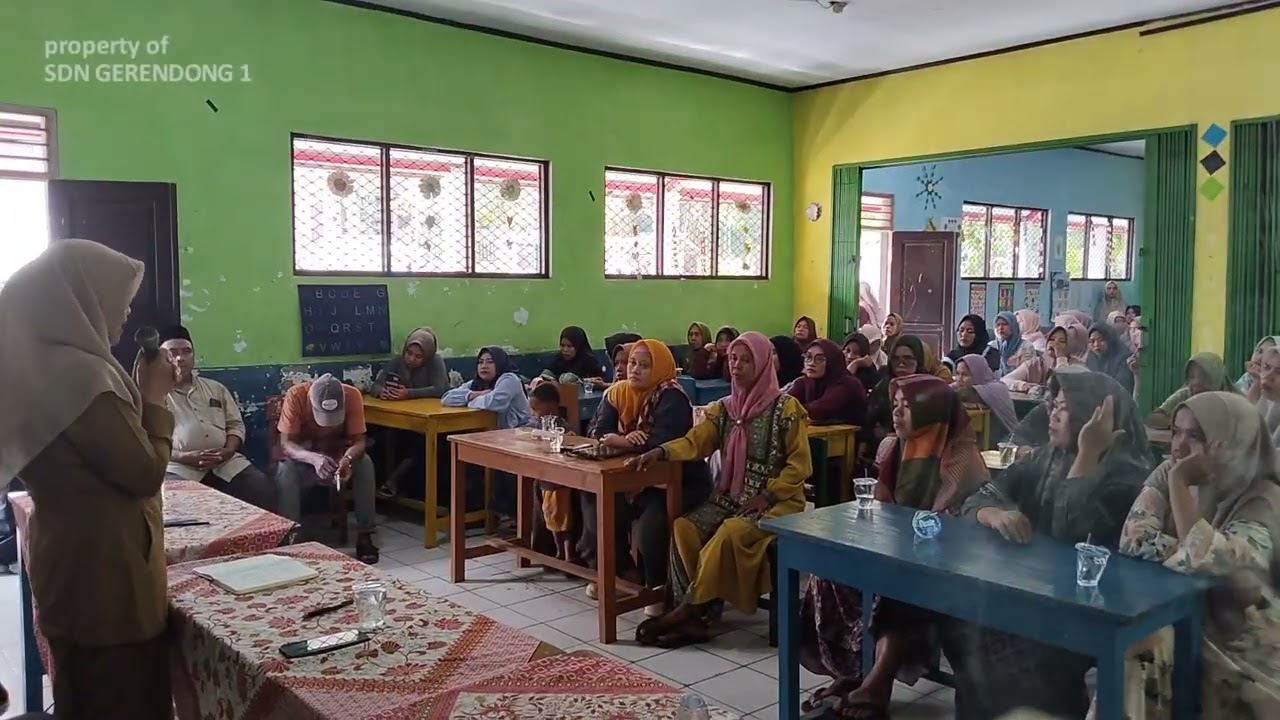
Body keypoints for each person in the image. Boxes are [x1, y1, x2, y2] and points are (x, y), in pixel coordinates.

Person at [0, 239, 179, 719]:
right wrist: (157, 400)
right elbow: (142, 473)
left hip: (70, 562)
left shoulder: (34, 366)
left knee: (83, 694)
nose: (123, 316)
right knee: (123, 698)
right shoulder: (81, 377)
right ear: (81, 299)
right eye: (118, 301)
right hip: (106, 575)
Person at [941, 371, 1152, 720]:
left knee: (1018, 654)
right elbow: (976, 499)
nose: (1052, 415)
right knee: (962, 621)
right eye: (1053, 405)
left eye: (1065, 409)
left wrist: (1086, 456)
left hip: (1092, 607)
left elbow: (1072, 533)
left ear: (1093, 416)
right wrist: (994, 514)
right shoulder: (1046, 458)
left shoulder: (1128, 474)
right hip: (1035, 591)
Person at [800, 376, 987, 718]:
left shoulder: (961, 458)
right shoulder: (897, 447)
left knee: (899, 587)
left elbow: (963, 525)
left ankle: (879, 680)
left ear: (930, 411)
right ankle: (852, 672)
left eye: (907, 408)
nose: (897, 414)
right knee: (827, 574)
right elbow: (882, 509)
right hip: (895, 551)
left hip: (945, 565)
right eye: (895, 406)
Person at [1102, 391, 1280, 719]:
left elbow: (1236, 584)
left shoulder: (1263, 499)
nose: (1179, 446)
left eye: (1195, 435)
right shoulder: (1170, 471)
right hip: (1178, 615)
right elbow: (1133, 538)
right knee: (1137, 649)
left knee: (1147, 651)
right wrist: (1192, 549)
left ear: (1233, 442)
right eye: (1176, 432)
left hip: (1241, 640)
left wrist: (1181, 486)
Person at [629, 332, 810, 647]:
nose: (737, 366)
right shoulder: (725, 409)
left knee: (729, 532)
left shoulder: (787, 409)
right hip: (733, 496)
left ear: (764, 363)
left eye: (745, 360)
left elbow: (800, 465)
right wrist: (662, 452)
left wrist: (768, 494)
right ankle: (698, 614)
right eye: (733, 359)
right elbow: (696, 442)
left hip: (777, 501)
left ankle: (689, 609)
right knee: (684, 527)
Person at [582, 340, 711, 612]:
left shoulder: (672, 396)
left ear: (660, 368)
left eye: (644, 365)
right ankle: (620, 574)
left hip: (678, 482)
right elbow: (596, 430)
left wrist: (626, 442)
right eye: (632, 364)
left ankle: (657, 588)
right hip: (631, 478)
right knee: (595, 503)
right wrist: (621, 439)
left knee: (652, 524)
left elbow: (662, 442)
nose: (635, 370)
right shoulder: (618, 393)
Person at [159, 325, 275, 510]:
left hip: (225, 462)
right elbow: (151, 442)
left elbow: (235, 424)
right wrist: (183, 456)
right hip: (178, 466)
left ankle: (263, 538)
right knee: (176, 501)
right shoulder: (155, 396)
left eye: (187, 352)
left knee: (259, 486)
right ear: (161, 357)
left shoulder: (215, 388)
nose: (180, 358)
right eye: (172, 352)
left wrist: (228, 450)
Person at [277, 373, 379, 563]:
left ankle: (365, 534)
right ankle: (290, 536)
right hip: (305, 456)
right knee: (285, 472)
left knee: (365, 464)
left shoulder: (352, 395)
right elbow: (286, 444)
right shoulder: (296, 395)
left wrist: (347, 459)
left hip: (338, 454)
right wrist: (313, 459)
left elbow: (359, 441)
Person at [443, 347, 533, 515]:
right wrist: (472, 395)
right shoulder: (477, 384)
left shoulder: (509, 379)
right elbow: (447, 398)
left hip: (523, 437)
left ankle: (514, 516)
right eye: (480, 362)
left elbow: (494, 402)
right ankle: (477, 513)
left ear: (500, 363)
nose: (484, 366)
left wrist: (472, 400)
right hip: (496, 439)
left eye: (490, 362)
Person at [528, 382, 578, 563]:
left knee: (563, 521)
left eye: (536, 409)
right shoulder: (539, 428)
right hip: (547, 480)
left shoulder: (563, 427)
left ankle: (568, 555)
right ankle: (556, 552)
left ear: (550, 408)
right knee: (552, 518)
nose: (533, 414)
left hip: (561, 481)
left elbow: (572, 441)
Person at [1146, 352, 1236, 429]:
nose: (1196, 382)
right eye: (1192, 376)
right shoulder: (1184, 394)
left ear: (1217, 378)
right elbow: (1153, 418)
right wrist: (1181, 422)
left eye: (1203, 376)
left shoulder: (1233, 400)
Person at [788, 339, 867, 426]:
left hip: (851, 437)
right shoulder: (804, 381)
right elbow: (783, 404)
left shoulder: (847, 384)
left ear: (831, 361)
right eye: (808, 357)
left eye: (819, 359)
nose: (811, 363)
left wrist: (789, 409)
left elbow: (818, 410)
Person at [868, 335, 928, 444]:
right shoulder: (882, 387)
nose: (901, 364)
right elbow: (870, 421)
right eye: (896, 359)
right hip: (882, 446)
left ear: (918, 360)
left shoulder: (928, 387)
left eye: (908, 358)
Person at [1002, 323, 1088, 394]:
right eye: (1052, 339)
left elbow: (1064, 384)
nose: (1055, 344)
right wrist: (1024, 386)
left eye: (1062, 341)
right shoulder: (1036, 363)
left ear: (1070, 346)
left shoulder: (1076, 365)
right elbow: (1005, 380)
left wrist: (1061, 357)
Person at [370, 326, 450, 400]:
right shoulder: (398, 361)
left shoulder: (435, 361)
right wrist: (381, 392)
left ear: (427, 356)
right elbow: (376, 385)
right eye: (409, 353)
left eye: (418, 356)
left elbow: (439, 389)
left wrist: (409, 393)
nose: (411, 359)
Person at [955, 353, 1018, 442]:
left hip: (1006, 442)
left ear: (977, 373)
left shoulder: (997, 388)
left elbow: (964, 393)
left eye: (965, 375)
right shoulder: (962, 384)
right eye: (957, 373)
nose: (959, 378)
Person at [1087, 322, 1136, 395]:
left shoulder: (1123, 358)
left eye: (1101, 340)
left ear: (1110, 339)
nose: (1096, 345)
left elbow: (1123, 387)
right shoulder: (1091, 359)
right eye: (1092, 341)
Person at [989, 310, 1038, 376]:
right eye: (998, 325)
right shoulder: (992, 346)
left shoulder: (1026, 347)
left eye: (1005, 324)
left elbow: (1027, 371)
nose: (1000, 328)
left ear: (1013, 326)